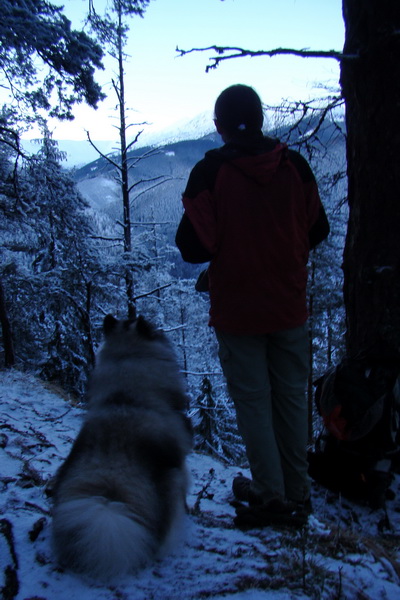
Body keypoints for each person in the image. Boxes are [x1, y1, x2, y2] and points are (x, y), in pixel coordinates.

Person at [175, 84, 329, 527]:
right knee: (290, 400)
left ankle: (269, 496)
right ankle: (297, 493)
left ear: (220, 127)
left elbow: (190, 246)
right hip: (288, 307)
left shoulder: (211, 172)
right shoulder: (294, 165)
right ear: (260, 120)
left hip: (239, 312)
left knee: (254, 402)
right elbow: (317, 229)